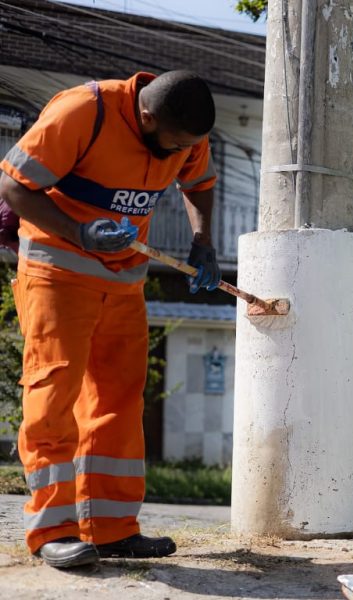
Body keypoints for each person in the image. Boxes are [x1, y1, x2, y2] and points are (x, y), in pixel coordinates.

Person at [0, 71, 221, 568]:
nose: (184, 153)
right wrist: (80, 232)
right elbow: (13, 188)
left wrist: (203, 241)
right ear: (147, 117)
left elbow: (200, 183)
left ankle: (111, 528)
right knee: (53, 394)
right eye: (178, 144)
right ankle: (52, 531)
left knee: (119, 399)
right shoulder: (84, 111)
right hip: (58, 269)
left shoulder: (184, 134)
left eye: (193, 144)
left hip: (124, 282)